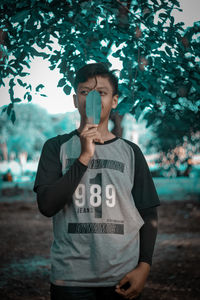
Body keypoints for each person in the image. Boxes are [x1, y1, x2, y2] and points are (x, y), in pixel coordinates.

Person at [33, 62, 160, 300]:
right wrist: (84, 157)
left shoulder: (131, 152)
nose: (92, 98)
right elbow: (47, 206)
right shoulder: (55, 147)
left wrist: (144, 266)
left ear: (114, 101)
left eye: (101, 93)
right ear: (75, 99)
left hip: (122, 274)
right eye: (84, 92)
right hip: (70, 278)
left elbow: (148, 213)